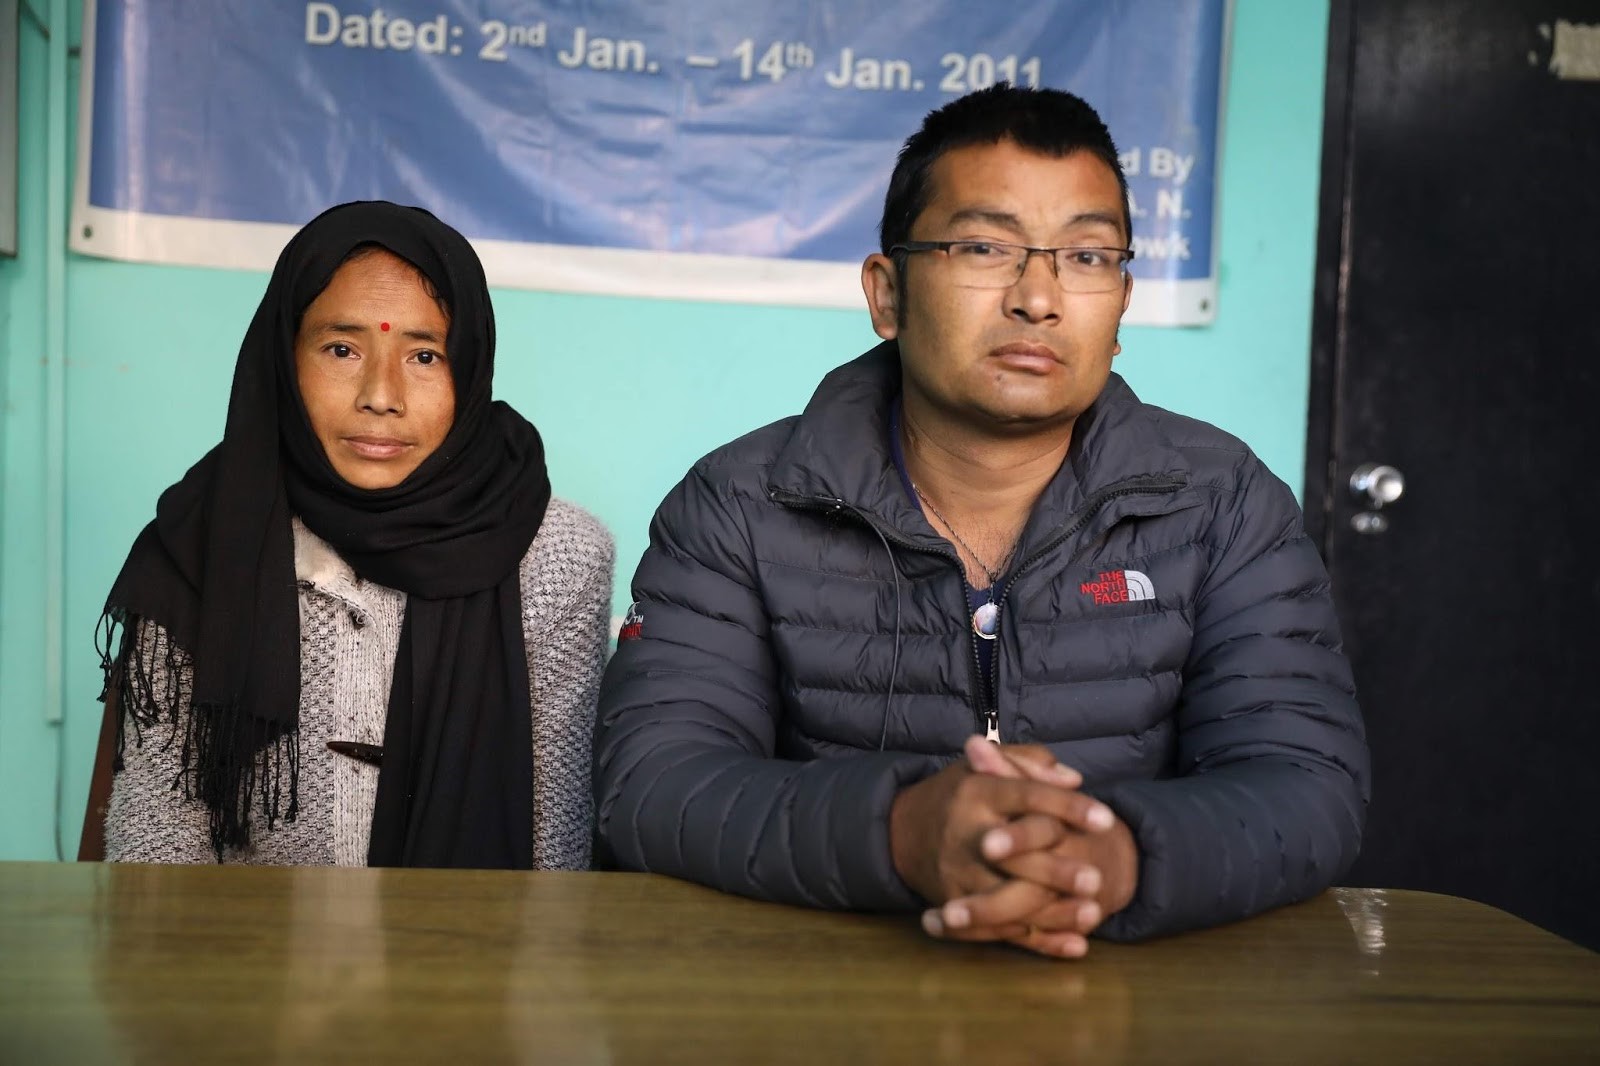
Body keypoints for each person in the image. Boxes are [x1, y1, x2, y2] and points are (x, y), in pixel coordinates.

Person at [594, 86, 1368, 956]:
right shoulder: (740, 503)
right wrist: (901, 831)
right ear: (888, 294)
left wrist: (1114, 857)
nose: (1038, 297)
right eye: (984, 246)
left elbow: (1307, 785)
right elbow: (653, 786)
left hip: (1131, 996)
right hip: (817, 996)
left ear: (1119, 307)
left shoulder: (1221, 502)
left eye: (1086, 256)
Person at [92, 201, 614, 868]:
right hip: (243, 959)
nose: (381, 394)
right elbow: (157, 844)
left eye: (424, 355)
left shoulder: (554, 554)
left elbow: (555, 848)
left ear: (470, 364)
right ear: (285, 359)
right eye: (342, 349)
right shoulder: (202, 538)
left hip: (474, 957)